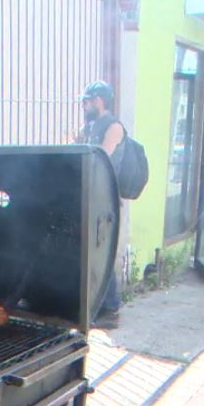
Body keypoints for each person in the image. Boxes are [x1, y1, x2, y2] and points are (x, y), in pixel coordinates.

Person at [76, 81, 128, 329]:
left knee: (102, 254)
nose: (84, 106)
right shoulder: (90, 126)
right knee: (87, 254)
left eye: (87, 101)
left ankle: (111, 309)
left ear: (99, 100)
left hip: (106, 203)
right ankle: (91, 306)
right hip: (88, 199)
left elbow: (101, 156)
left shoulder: (114, 127)